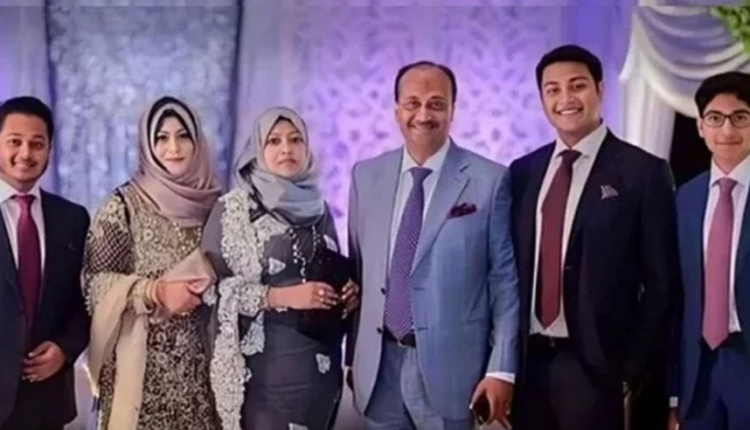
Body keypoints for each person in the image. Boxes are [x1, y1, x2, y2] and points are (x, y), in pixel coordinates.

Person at [509, 44, 680, 430]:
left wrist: (631, 368)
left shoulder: (642, 172)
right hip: (529, 364)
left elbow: (662, 283)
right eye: (552, 90)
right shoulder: (523, 172)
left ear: (600, 89)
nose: (565, 99)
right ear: (541, 99)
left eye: (577, 85)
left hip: (598, 370)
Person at [346, 61, 519, 430]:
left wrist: (501, 368)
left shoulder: (490, 180)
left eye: (436, 104)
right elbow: (359, 272)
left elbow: (504, 282)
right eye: (413, 103)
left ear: (453, 110)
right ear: (397, 110)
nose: (423, 115)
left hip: (454, 375)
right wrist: (351, 357)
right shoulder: (365, 175)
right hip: (378, 373)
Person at [202, 106, 360, 430]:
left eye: (295, 139)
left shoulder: (319, 209)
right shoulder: (233, 210)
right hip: (263, 378)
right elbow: (212, 292)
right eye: (274, 141)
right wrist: (279, 296)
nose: (286, 148)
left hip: (319, 373)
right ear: (257, 150)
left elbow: (329, 270)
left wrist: (348, 294)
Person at [83, 96, 222, 430]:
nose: (173, 147)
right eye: (161, 137)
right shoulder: (122, 206)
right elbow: (94, 286)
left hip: (206, 376)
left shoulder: (219, 207)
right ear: (147, 144)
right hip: (141, 377)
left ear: (197, 141)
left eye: (183, 136)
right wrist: (153, 292)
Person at [0, 96, 90, 430]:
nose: (25, 153)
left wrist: (65, 349)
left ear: (50, 150)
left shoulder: (72, 219)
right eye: (14, 141)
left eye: (37, 144)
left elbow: (86, 301)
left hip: (46, 402)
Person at [668, 71, 750, 430]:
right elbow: (675, 297)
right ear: (700, 126)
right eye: (715, 118)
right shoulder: (684, 198)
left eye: (740, 117)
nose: (727, 130)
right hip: (698, 369)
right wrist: (672, 391)